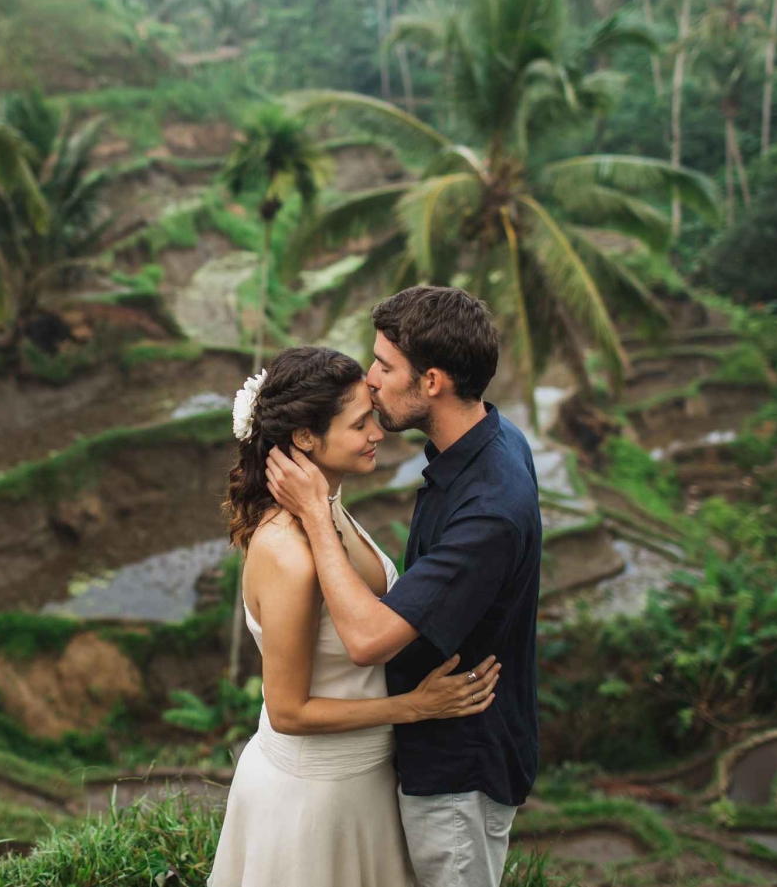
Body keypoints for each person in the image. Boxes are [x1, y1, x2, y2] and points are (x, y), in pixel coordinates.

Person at [265, 286, 542, 887]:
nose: (370, 381)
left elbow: (367, 640)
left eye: (385, 366)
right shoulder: (488, 441)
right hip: (421, 754)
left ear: (433, 381)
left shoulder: (488, 508)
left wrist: (316, 513)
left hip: (458, 769)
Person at [209, 345, 501, 887]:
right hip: (313, 800)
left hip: (363, 782)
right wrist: (414, 707)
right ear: (304, 438)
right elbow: (288, 711)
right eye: (359, 424)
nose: (377, 433)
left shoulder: (325, 508)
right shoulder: (290, 555)